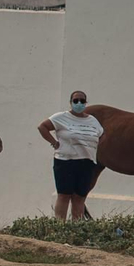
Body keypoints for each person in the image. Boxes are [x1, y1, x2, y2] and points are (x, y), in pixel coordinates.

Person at [37, 90, 103, 219]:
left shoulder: (92, 121)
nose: (79, 103)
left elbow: (101, 134)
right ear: (70, 102)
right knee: (64, 195)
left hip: (87, 162)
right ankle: (60, 225)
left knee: (80, 196)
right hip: (65, 161)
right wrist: (54, 142)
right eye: (76, 100)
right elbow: (42, 127)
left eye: (82, 101)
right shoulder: (61, 117)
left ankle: (76, 227)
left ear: (86, 103)